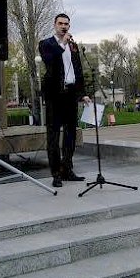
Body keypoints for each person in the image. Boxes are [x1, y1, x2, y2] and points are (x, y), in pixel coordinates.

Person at [39, 13, 91, 188]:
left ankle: (67, 169)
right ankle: (56, 174)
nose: (64, 26)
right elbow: (50, 59)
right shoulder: (47, 44)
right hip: (55, 95)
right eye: (60, 23)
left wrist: (82, 93)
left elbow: (78, 71)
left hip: (70, 94)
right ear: (55, 25)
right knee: (53, 135)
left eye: (66, 24)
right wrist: (62, 43)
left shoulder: (73, 46)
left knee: (70, 134)